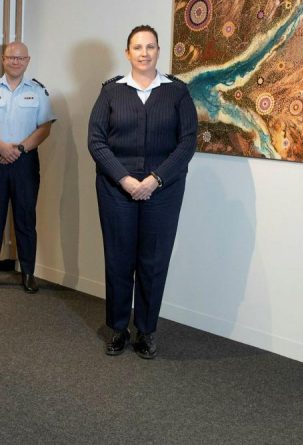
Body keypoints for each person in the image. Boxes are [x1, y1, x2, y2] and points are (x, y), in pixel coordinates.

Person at [88, 25, 197, 359]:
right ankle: (118, 328)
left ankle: (146, 331)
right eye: (137, 47)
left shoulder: (177, 92)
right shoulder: (111, 92)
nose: (144, 53)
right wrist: (125, 179)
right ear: (127, 53)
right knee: (119, 260)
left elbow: (187, 142)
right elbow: (96, 140)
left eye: (150, 47)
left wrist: (155, 179)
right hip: (115, 189)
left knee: (152, 262)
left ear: (158, 51)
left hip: (163, 191)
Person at [0, 41, 56, 293]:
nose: (15, 62)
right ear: (3, 60)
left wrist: (18, 149)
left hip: (25, 162)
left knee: (26, 219)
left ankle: (28, 272)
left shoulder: (38, 90)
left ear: (27, 60)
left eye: (20, 58)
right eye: (10, 58)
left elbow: (45, 127)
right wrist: (2, 147)